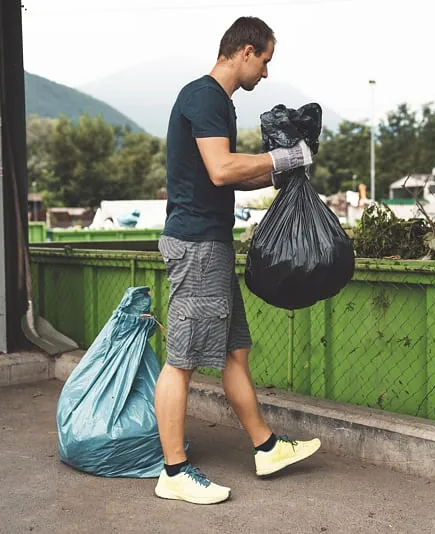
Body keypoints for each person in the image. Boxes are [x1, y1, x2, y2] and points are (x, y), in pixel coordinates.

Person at [154, 16, 321, 505]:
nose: (266, 73)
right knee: (181, 362)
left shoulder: (218, 103)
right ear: (245, 51)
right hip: (197, 247)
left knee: (234, 352)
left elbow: (226, 176)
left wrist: (281, 174)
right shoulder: (205, 96)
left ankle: (266, 446)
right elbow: (222, 167)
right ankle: (174, 472)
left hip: (212, 245)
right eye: (265, 61)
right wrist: (280, 160)